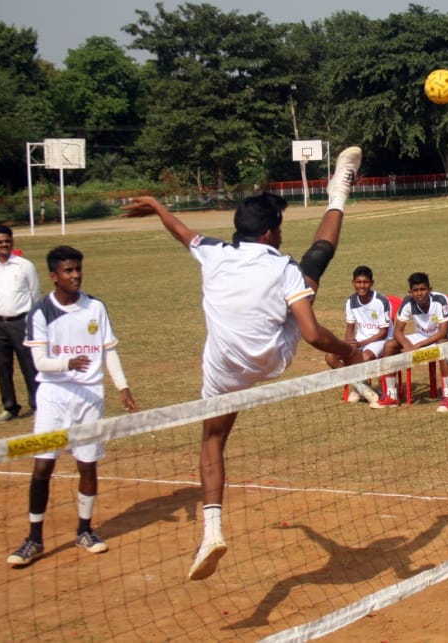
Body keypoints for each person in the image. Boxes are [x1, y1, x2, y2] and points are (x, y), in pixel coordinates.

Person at [120, 146, 364, 581]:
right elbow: (311, 334)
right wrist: (349, 352)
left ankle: (212, 530)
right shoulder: (282, 267)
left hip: (224, 367)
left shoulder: (213, 252)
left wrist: (158, 205)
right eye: (281, 228)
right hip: (272, 358)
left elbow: (183, 232)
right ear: (270, 233)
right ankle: (338, 193)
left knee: (213, 439)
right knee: (314, 264)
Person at [6, 245, 137, 567]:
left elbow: (109, 351)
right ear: (54, 276)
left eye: (78, 269)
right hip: (53, 397)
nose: (75, 275)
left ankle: (85, 530)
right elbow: (39, 362)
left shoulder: (95, 307)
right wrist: (68, 363)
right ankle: (34, 539)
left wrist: (122, 386)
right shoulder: (40, 312)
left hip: (90, 398)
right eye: (68, 271)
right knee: (42, 467)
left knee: (87, 465)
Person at [0, 225, 42, 423]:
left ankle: (38, 405)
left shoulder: (24, 266)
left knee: (30, 365)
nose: (4, 245)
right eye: (0, 242)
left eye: (7, 241)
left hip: (21, 322)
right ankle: (9, 407)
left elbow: (35, 294)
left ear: (12, 242)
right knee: (3, 366)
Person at [382, 272, 448, 411]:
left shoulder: (440, 300)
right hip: (421, 336)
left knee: (443, 343)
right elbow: (397, 331)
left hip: (445, 338)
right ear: (410, 292)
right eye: (416, 290)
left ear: (429, 289)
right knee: (389, 345)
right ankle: (391, 395)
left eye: (423, 289)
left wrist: (417, 346)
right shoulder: (407, 302)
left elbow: (443, 332)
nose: (420, 294)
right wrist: (408, 346)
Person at [326, 265, 391, 407]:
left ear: (371, 283)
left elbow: (383, 332)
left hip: (380, 340)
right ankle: (362, 387)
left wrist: (361, 344)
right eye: (359, 282)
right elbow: (350, 327)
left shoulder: (381, 301)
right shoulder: (350, 301)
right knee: (330, 357)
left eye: (365, 282)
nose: (362, 286)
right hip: (360, 341)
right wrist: (348, 343)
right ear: (353, 283)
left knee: (365, 357)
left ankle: (360, 388)